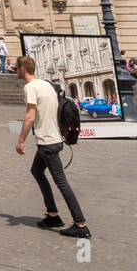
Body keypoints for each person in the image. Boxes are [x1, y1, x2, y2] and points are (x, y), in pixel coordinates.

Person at [15, 54, 89, 238]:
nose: (16, 71)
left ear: (22, 69)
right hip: (53, 138)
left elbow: (30, 116)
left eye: (16, 69)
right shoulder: (46, 84)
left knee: (61, 182)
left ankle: (80, 224)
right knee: (36, 171)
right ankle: (52, 215)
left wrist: (21, 140)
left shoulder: (30, 87)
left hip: (47, 141)